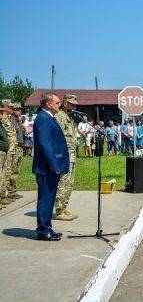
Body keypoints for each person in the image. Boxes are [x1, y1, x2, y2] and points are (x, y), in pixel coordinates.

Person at [33, 93, 69, 241]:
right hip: (47, 168)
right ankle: (42, 230)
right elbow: (45, 145)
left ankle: (47, 227)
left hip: (50, 167)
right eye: (57, 102)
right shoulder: (43, 118)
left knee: (49, 199)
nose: (59, 104)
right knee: (45, 199)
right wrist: (55, 166)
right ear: (48, 104)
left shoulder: (49, 118)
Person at [54, 94, 79, 221]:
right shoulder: (59, 117)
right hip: (65, 156)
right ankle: (59, 211)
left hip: (72, 155)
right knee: (63, 183)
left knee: (69, 183)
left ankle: (64, 208)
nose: (74, 106)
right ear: (64, 104)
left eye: (75, 104)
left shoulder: (68, 118)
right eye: (71, 104)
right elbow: (57, 138)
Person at [0, 105, 10, 210]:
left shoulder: (1, 124)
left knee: (2, 176)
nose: (2, 115)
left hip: (3, 152)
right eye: (0, 113)